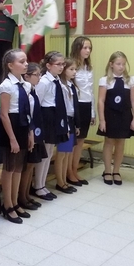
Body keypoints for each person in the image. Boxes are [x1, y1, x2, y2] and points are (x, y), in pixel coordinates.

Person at [0, 49, 33, 224]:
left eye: (26, 61)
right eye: (21, 61)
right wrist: (12, 138)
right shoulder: (6, 86)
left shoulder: (26, 85)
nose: (26, 64)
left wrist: (30, 132)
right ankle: (7, 204)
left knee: (19, 167)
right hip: (10, 127)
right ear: (10, 65)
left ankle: (15, 201)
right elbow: (4, 114)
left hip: (23, 126)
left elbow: (27, 112)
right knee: (9, 167)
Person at [97, 51, 134, 185]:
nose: (121, 67)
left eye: (123, 64)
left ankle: (116, 171)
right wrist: (102, 120)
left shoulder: (130, 80)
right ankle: (107, 170)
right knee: (109, 142)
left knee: (120, 143)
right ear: (111, 64)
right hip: (110, 115)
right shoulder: (105, 80)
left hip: (124, 115)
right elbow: (101, 101)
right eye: (118, 64)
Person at [32, 51, 68, 200]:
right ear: (48, 65)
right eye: (58, 64)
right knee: (44, 153)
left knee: (49, 153)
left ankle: (42, 184)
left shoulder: (57, 80)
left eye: (63, 64)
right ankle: (37, 186)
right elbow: (37, 103)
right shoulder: (44, 82)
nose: (61, 67)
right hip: (46, 117)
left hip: (55, 116)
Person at [68, 36, 95, 186]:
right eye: (85, 47)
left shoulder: (88, 67)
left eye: (89, 48)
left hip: (86, 105)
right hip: (75, 106)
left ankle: (74, 170)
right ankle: (68, 172)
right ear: (77, 48)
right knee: (72, 142)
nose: (88, 50)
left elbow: (91, 91)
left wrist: (93, 112)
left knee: (81, 141)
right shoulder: (72, 66)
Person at [20, 63, 46, 211]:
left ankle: (27, 194)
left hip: (36, 131)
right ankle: (22, 197)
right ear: (27, 76)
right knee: (27, 165)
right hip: (29, 132)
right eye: (37, 75)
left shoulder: (33, 90)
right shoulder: (26, 93)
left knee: (32, 165)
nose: (39, 77)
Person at [54, 59, 80, 194]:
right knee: (61, 153)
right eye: (71, 69)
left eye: (75, 69)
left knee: (67, 153)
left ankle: (64, 180)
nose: (74, 72)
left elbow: (74, 107)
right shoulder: (61, 86)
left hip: (70, 120)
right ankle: (60, 182)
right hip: (64, 121)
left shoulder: (71, 85)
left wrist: (76, 124)